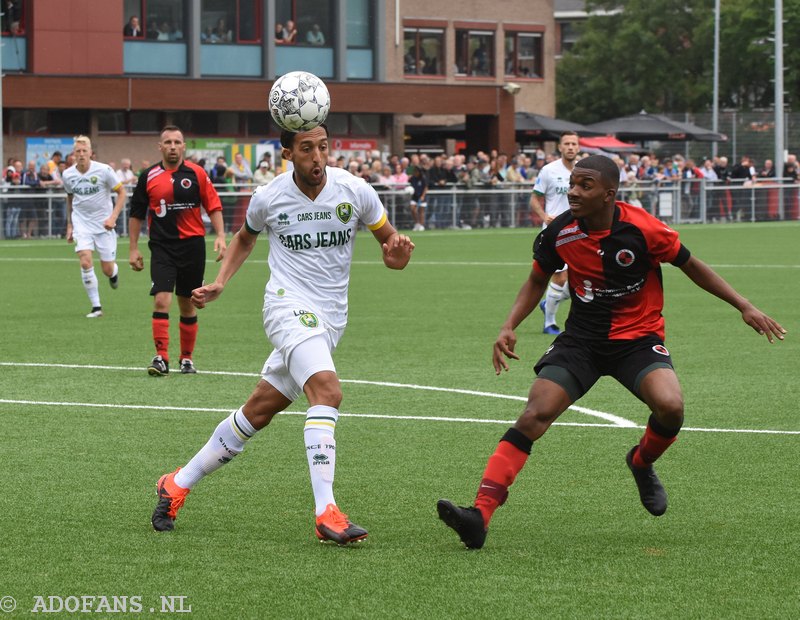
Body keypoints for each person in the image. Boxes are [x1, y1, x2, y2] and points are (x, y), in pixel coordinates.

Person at [436, 155, 785, 550]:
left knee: (670, 406)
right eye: (572, 183)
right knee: (536, 412)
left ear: (609, 194)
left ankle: (641, 462)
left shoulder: (643, 228)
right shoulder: (559, 232)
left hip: (636, 340)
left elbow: (691, 265)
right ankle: (479, 515)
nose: (573, 191)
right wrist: (508, 325)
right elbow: (536, 280)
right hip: (582, 341)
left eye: (585, 185)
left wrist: (744, 305)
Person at [149, 123, 415, 545]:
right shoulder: (269, 196)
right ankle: (326, 511)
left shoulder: (355, 191)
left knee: (256, 411)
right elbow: (243, 239)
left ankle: (176, 483)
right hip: (286, 307)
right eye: (306, 149)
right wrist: (221, 281)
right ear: (288, 153)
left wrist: (397, 256)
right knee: (327, 393)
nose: (317, 157)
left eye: (323, 148)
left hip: (330, 321)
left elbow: (391, 249)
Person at [128, 126, 227, 375]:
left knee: (187, 303)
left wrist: (222, 236)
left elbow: (213, 205)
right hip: (162, 247)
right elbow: (136, 214)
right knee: (162, 299)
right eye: (168, 142)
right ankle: (161, 357)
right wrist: (132, 249)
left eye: (177, 142)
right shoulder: (147, 176)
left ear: (184, 146)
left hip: (192, 246)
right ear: (160, 147)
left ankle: (186, 359)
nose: (173, 146)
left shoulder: (197, 173)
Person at [62, 136, 127, 318]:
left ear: (91, 152)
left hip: (103, 225)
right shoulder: (68, 175)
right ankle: (96, 307)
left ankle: (114, 273)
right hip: (81, 224)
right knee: (85, 261)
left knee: (107, 269)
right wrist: (70, 225)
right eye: (78, 151)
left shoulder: (104, 170)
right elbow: (70, 198)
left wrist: (113, 217)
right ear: (73, 154)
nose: (81, 154)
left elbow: (122, 193)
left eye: (84, 151)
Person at [529, 131, 580, 335]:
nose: (570, 147)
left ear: (578, 147)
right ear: (560, 147)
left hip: (579, 230)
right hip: (555, 232)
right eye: (566, 143)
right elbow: (534, 198)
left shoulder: (585, 170)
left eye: (573, 144)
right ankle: (549, 323)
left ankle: (549, 302)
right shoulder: (549, 170)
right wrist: (544, 215)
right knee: (559, 277)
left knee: (579, 281)